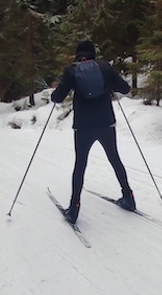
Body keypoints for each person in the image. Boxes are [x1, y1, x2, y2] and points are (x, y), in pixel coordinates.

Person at [50, 40, 135, 224]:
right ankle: (128, 197)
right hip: (106, 123)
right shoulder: (104, 67)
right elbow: (125, 89)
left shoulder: (71, 71)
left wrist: (59, 91)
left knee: (80, 164)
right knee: (114, 159)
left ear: (77, 54)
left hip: (83, 126)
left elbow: (57, 97)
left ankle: (74, 209)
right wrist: (109, 84)